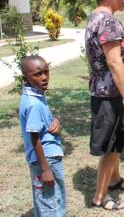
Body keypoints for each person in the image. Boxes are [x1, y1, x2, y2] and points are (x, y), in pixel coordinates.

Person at [85, 0, 124, 211]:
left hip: (110, 92)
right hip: (113, 95)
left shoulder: (98, 17)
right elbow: (114, 62)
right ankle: (100, 195)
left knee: (117, 141)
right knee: (110, 147)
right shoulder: (107, 20)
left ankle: (115, 179)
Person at [18, 55, 66, 216]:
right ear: (25, 77)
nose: (44, 77)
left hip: (48, 158)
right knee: (50, 203)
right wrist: (45, 169)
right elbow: (34, 137)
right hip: (46, 160)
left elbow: (42, 122)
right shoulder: (33, 103)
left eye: (46, 72)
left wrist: (55, 120)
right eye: (38, 74)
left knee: (52, 200)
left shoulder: (36, 95)